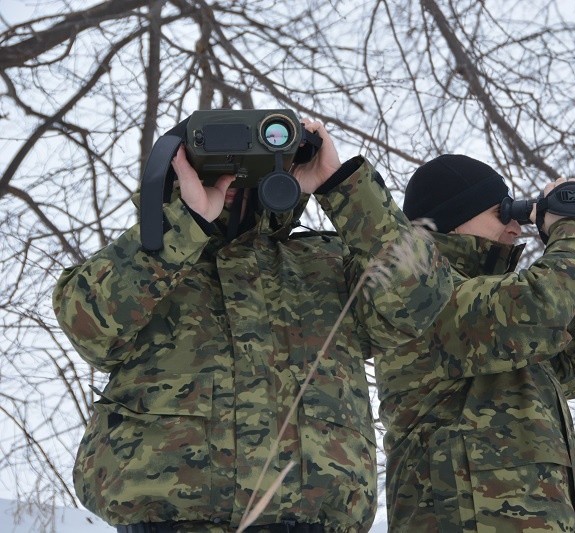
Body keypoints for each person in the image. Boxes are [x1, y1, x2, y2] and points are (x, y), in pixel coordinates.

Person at [53, 119, 453, 533]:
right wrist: (183, 224)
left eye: (256, 157)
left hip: (316, 521)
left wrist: (341, 185)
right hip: (172, 520)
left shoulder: (328, 266)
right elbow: (88, 325)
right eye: (218, 158)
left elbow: (420, 303)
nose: (237, 175)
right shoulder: (152, 259)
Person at [376, 154, 575, 532]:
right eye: (500, 212)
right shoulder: (423, 298)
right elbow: (543, 305)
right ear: (453, 224)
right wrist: (572, 230)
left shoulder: (500, 322)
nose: (516, 227)